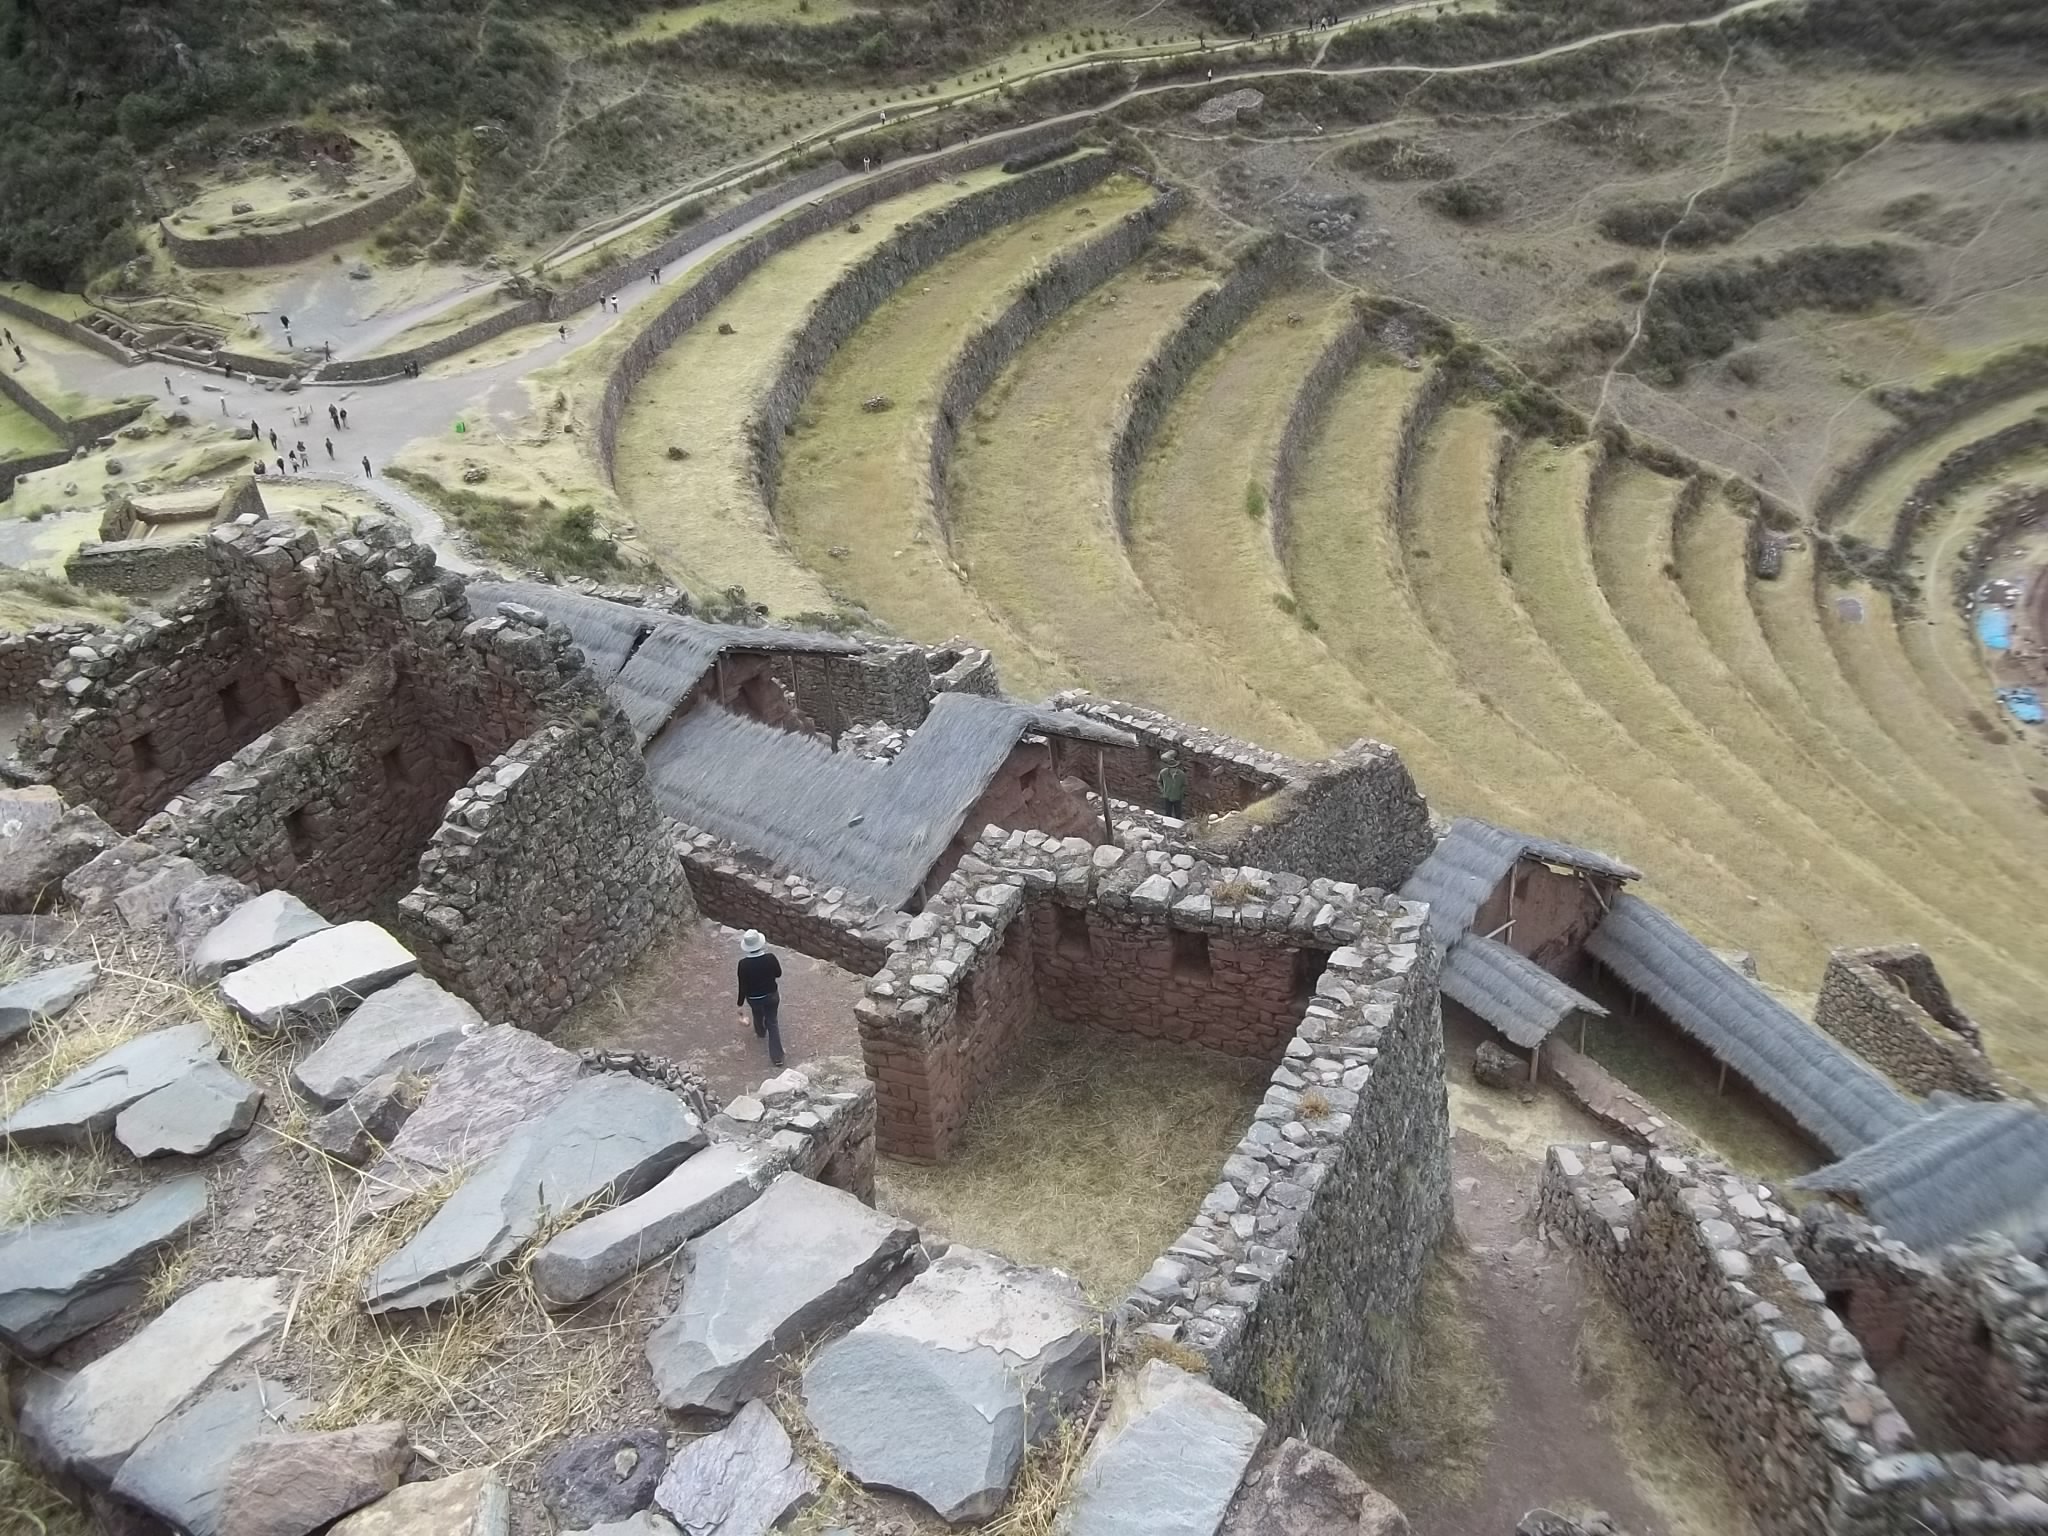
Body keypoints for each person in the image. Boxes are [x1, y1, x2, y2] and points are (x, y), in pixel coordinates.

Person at [735, 930, 786, 1069]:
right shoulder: (770, 958)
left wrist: (740, 1004)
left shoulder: (743, 964)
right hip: (771, 995)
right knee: (772, 1022)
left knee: (757, 1013)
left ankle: (760, 1032)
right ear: (760, 944)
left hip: (754, 998)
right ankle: (777, 1057)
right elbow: (778, 974)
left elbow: (742, 986)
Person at [1157, 750, 1189, 819]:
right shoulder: (1163, 773)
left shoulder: (1181, 774)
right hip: (1167, 796)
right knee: (1168, 812)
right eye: (1171, 768)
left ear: (1177, 767)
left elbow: (1185, 784)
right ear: (1169, 767)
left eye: (1174, 767)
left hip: (1177, 797)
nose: (1173, 769)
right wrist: (1163, 791)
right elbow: (1159, 782)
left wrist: (1181, 793)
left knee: (1178, 813)